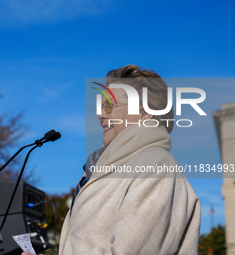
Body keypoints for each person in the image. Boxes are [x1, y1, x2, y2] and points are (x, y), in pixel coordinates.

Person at [22, 65, 201, 255]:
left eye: (110, 105)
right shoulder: (101, 171)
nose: (100, 114)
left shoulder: (155, 164)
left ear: (145, 113)